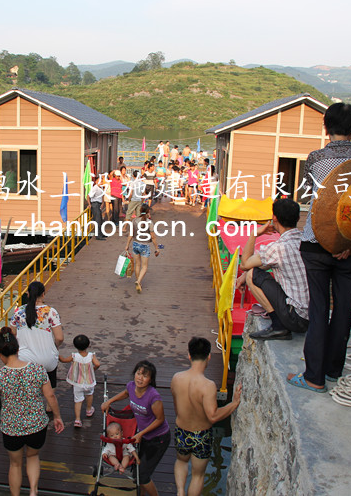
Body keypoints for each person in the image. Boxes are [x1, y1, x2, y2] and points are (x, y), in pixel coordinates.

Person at [288, 102, 351, 393]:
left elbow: (305, 196)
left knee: (319, 308)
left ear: (327, 128)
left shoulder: (316, 158)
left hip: (317, 243)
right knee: (344, 309)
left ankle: (314, 376)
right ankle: (334, 370)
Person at [0, 328, 64, 496]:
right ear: (18, 349)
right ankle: (33, 491)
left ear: (0, 354)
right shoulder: (37, 370)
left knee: (15, 464)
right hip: (37, 425)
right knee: (33, 457)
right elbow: (50, 396)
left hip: (12, 429)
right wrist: (57, 416)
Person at [171, 338, 242, 496]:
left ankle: (180, 492)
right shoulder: (208, 385)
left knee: (181, 461)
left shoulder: (176, 378)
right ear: (209, 356)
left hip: (181, 430)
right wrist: (234, 404)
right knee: (198, 475)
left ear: (189, 355)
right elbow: (213, 416)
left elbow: (176, 406)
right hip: (201, 435)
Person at [238, 198, 309, 340]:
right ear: (298, 218)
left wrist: (254, 234)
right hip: (311, 317)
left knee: (252, 274)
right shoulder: (305, 241)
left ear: (274, 218)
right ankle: (280, 323)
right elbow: (265, 264)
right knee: (251, 273)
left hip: (296, 319)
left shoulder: (278, 248)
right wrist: (243, 277)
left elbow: (245, 264)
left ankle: (278, 326)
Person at [101, 361, 170, 496]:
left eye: (145, 376)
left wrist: (141, 433)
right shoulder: (131, 386)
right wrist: (109, 401)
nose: (140, 378)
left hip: (158, 439)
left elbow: (160, 419)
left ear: (151, 379)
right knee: (138, 472)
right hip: (143, 437)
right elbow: (126, 393)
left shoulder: (153, 396)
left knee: (143, 475)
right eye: (138, 374)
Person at [11, 281, 64, 391]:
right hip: (47, 360)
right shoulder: (51, 312)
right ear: (43, 294)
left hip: (25, 360)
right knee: (50, 387)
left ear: (28, 294)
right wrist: (55, 347)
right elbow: (59, 338)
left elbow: (12, 334)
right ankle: (48, 401)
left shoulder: (18, 312)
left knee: (27, 390)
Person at [58, 334, 100, 428]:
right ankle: (89, 410)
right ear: (88, 345)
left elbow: (64, 360)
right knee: (89, 394)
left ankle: (77, 420)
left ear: (75, 346)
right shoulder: (91, 356)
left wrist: (58, 356)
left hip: (78, 382)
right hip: (89, 382)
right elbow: (97, 364)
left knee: (78, 400)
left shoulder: (74, 356)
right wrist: (93, 369)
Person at [125, 204, 161, 294]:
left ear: (140, 211)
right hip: (144, 246)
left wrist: (127, 245)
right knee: (144, 267)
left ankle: (138, 282)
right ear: (148, 212)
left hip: (135, 244)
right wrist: (157, 248)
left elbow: (130, 234)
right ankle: (138, 281)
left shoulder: (134, 220)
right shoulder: (149, 222)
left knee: (137, 265)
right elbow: (153, 237)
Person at [87, 175, 106, 240]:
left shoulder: (101, 187)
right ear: (96, 181)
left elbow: (102, 196)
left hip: (99, 204)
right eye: (99, 181)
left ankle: (101, 233)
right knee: (97, 220)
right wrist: (89, 204)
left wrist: (103, 203)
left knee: (100, 220)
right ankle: (98, 235)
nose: (101, 182)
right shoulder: (95, 188)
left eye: (102, 181)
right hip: (95, 204)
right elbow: (88, 196)